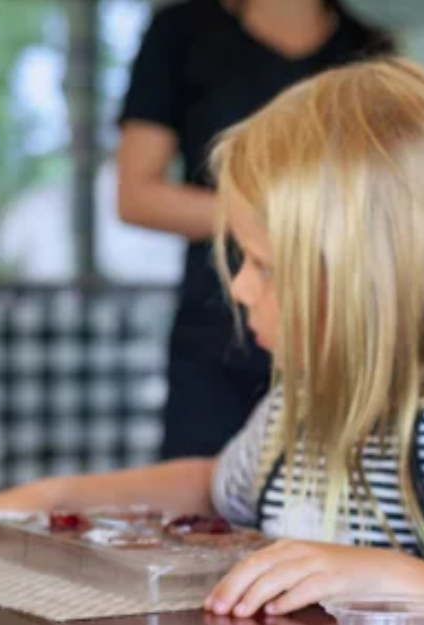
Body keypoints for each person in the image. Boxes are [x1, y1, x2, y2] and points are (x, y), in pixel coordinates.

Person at [0, 58, 424, 625]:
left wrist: (394, 581)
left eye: (264, 266)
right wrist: (61, 496)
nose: (238, 286)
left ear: (367, 280)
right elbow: (213, 486)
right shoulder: (300, 407)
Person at [117, 0, 392, 459]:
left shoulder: (370, 50)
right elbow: (137, 195)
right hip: (213, 338)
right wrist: (275, 223)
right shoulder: (182, 33)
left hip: (334, 336)